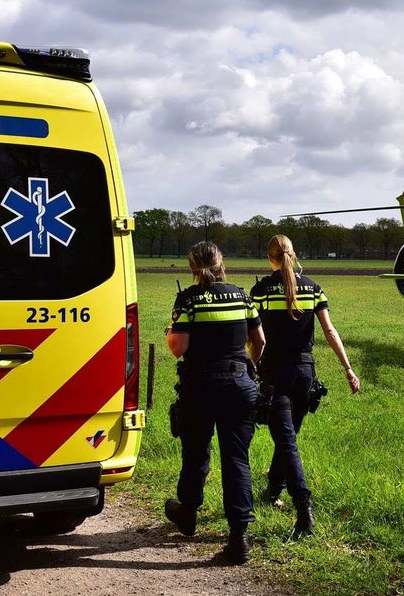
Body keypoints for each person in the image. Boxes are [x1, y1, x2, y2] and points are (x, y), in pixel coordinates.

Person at [250, 235, 360, 538]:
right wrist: (348, 369)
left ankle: (303, 509)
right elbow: (329, 330)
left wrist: (253, 365)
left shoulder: (259, 291)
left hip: (276, 374)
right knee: (287, 436)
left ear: (269, 257)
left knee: (286, 440)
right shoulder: (313, 287)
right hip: (305, 374)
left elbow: (255, 340)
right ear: (293, 255)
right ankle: (273, 489)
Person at [164, 241, 265, 564]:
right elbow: (259, 341)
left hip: (201, 387)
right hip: (240, 385)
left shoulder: (189, 299)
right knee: (236, 459)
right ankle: (239, 538)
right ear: (222, 263)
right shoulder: (241, 295)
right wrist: (247, 368)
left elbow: (178, 347)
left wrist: (171, 330)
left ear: (193, 267)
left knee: (196, 452)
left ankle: (188, 512)